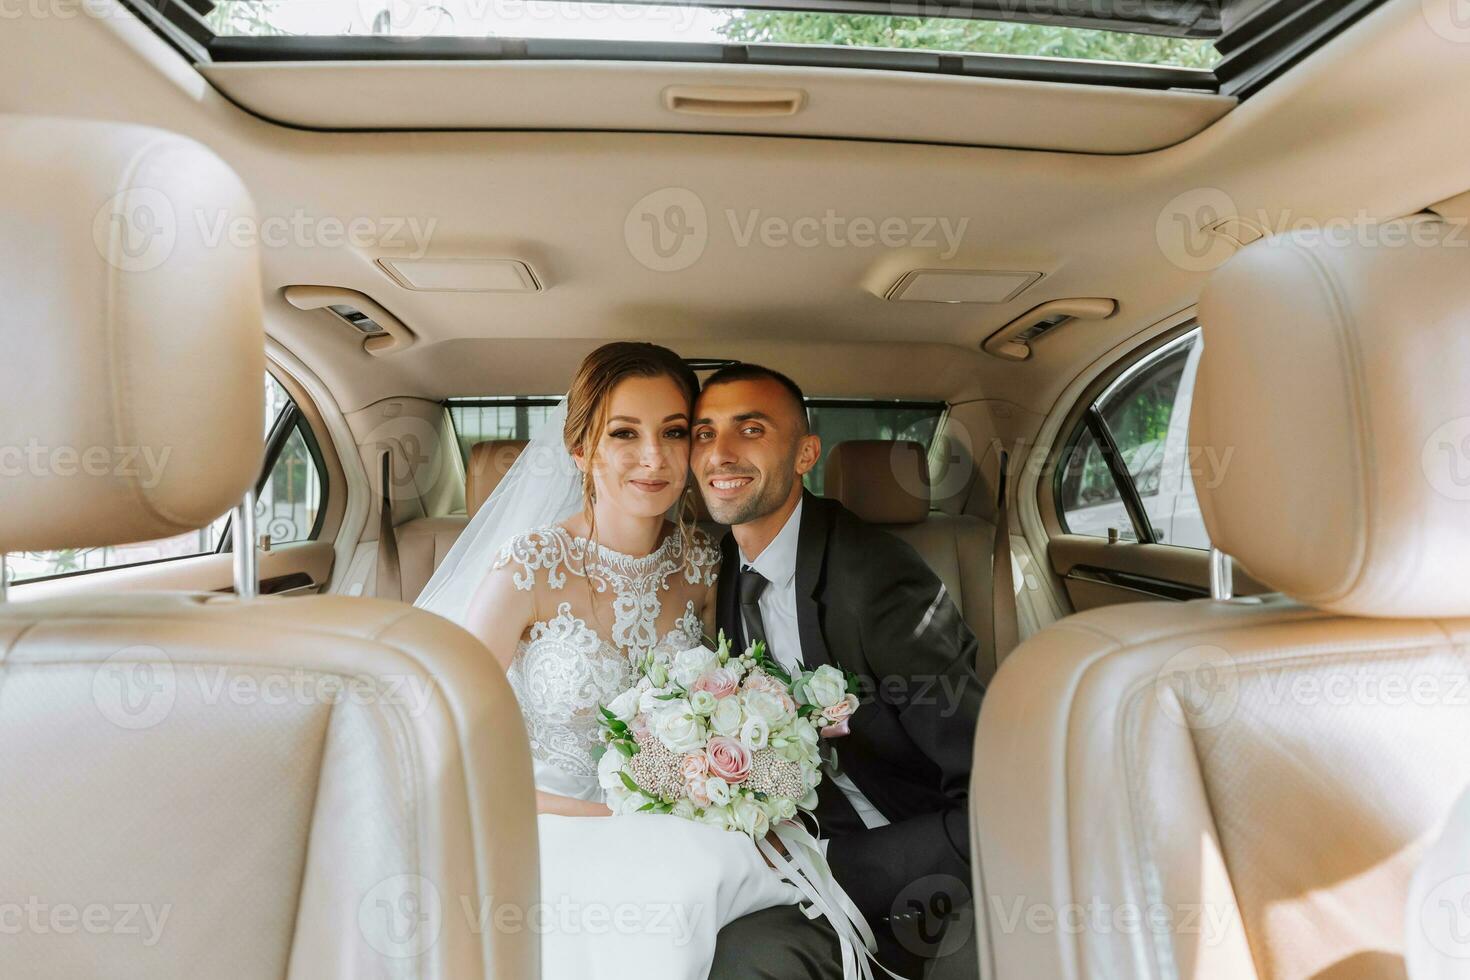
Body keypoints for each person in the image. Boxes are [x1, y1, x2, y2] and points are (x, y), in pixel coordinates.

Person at [414, 342, 802, 979]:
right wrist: (606, 816)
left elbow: (734, 697)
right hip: (539, 819)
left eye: (673, 433)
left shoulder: (704, 564)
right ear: (582, 450)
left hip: (675, 825)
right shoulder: (528, 567)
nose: (653, 458)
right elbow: (451, 749)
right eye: (624, 433)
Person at [692, 363, 984, 980]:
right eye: (702, 432)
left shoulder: (876, 580)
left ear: (805, 453)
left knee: (744, 962)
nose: (719, 453)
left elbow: (990, 795)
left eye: (749, 429)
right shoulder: (714, 570)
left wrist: (833, 863)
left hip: (903, 865)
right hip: (778, 843)